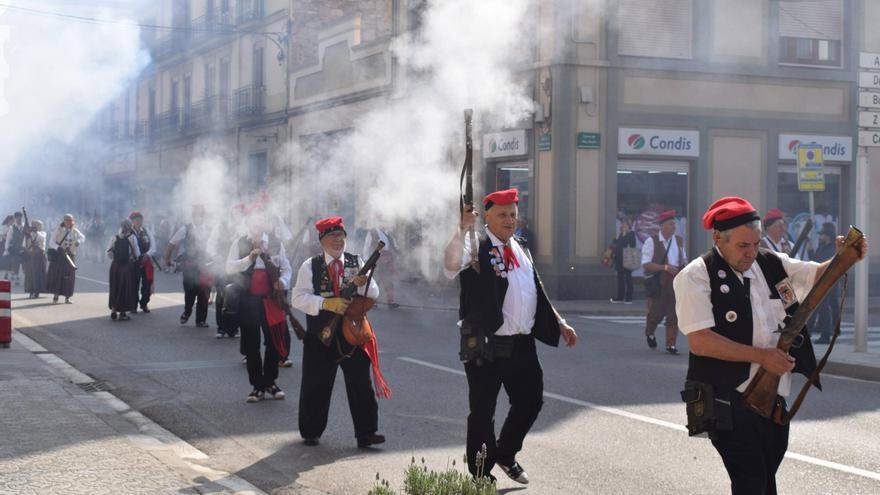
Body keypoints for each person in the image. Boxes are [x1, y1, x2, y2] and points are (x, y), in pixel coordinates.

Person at [675, 196, 867, 495]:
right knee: (752, 482)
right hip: (728, 403)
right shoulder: (696, 275)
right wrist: (762, 357)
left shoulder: (770, 262)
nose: (752, 252)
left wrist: (843, 259)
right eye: (743, 246)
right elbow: (701, 341)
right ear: (717, 238)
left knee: (764, 482)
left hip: (773, 402)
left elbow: (816, 275)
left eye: (756, 243)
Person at [443, 188, 578, 484]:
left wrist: (559, 322)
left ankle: (505, 454)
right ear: (486, 217)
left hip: (521, 344)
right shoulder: (474, 245)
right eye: (502, 215)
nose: (509, 220)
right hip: (486, 345)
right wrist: (462, 228)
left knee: (531, 401)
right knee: (482, 413)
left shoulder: (520, 247)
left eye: (513, 215)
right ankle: (480, 473)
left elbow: (535, 291)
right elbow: (451, 264)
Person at [290, 216, 388, 448]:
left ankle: (366, 432)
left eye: (341, 236)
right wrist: (327, 304)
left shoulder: (356, 261)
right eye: (332, 236)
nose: (338, 240)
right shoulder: (310, 266)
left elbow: (373, 293)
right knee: (315, 384)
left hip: (351, 333)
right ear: (321, 240)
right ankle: (311, 431)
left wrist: (362, 283)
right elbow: (297, 298)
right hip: (320, 335)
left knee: (361, 384)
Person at [226, 211, 292, 402]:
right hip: (248, 299)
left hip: (271, 299)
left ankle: (270, 382)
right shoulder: (239, 243)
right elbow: (229, 267)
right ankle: (257, 386)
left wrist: (282, 281)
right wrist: (249, 259)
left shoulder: (275, 242)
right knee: (251, 344)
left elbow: (287, 269)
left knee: (273, 341)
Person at [641, 210, 686, 355]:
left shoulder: (678, 240)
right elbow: (646, 264)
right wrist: (665, 267)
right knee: (656, 313)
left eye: (675, 224)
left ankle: (670, 345)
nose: (674, 227)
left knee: (674, 314)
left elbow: (682, 259)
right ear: (662, 226)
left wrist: (685, 268)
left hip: (675, 282)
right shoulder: (652, 241)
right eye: (671, 224)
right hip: (659, 283)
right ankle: (650, 332)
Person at [164, 205, 210, 327]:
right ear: (193, 216)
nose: (199, 217)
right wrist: (167, 258)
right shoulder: (185, 229)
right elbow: (172, 243)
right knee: (190, 292)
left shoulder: (208, 229)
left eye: (201, 214)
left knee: (204, 292)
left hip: (204, 265)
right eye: (197, 214)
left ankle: (200, 320)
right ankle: (187, 311)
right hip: (190, 266)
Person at [809, 223, 840, 344]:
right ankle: (809, 331)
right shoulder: (821, 247)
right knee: (816, 308)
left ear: (828, 236)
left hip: (828, 282)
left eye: (822, 234)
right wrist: (810, 250)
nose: (820, 236)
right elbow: (816, 262)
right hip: (820, 282)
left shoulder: (832, 250)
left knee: (823, 308)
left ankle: (826, 335)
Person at [46, 214, 86, 304]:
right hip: (60, 256)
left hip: (70, 255)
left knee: (69, 276)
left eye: (70, 220)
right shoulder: (58, 230)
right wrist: (58, 248)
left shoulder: (75, 231)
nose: (69, 222)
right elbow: (51, 242)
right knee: (58, 275)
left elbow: (83, 237)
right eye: (67, 220)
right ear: (64, 221)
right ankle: (56, 295)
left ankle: (67, 297)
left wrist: (78, 242)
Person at [107, 219, 141, 321]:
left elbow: (108, 253)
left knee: (115, 287)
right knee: (125, 288)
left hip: (115, 266)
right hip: (126, 266)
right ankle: (122, 313)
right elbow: (137, 253)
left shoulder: (114, 237)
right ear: (130, 227)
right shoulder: (132, 238)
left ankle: (113, 310)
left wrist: (116, 257)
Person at [362, 225, 399, 309]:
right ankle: (373, 302)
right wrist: (367, 261)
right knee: (375, 281)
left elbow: (394, 245)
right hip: (376, 260)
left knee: (389, 281)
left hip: (387, 260)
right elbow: (367, 247)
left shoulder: (389, 233)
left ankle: (391, 302)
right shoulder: (372, 232)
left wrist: (394, 252)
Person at [129, 211, 155, 313]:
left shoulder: (146, 231)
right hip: (134, 262)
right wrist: (139, 257)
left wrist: (148, 254)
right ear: (132, 221)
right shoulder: (129, 232)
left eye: (140, 219)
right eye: (136, 220)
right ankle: (133, 305)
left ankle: (144, 303)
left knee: (147, 283)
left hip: (146, 261)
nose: (138, 221)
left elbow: (153, 246)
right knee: (134, 284)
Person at [610, 218, 636, 304]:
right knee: (620, 278)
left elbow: (632, 245)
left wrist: (625, 235)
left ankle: (629, 297)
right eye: (622, 224)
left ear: (628, 226)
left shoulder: (631, 234)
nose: (622, 226)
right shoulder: (621, 234)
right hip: (619, 259)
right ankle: (620, 297)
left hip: (627, 258)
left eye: (624, 224)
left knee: (628, 278)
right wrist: (616, 241)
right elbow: (619, 244)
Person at [23, 220, 48, 299]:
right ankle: (31, 291)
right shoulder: (29, 234)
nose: (40, 227)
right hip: (31, 256)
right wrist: (29, 233)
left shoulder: (43, 233)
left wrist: (35, 232)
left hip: (39, 256)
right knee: (30, 274)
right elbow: (24, 244)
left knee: (38, 274)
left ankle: (37, 291)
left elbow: (41, 239)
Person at [4, 211, 26, 286]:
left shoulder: (24, 227)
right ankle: (16, 278)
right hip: (14, 248)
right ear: (15, 218)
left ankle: (19, 277)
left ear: (21, 218)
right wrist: (6, 249)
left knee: (23, 264)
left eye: (19, 218)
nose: (18, 220)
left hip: (23, 248)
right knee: (15, 262)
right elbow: (8, 238)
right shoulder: (12, 227)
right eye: (17, 218)